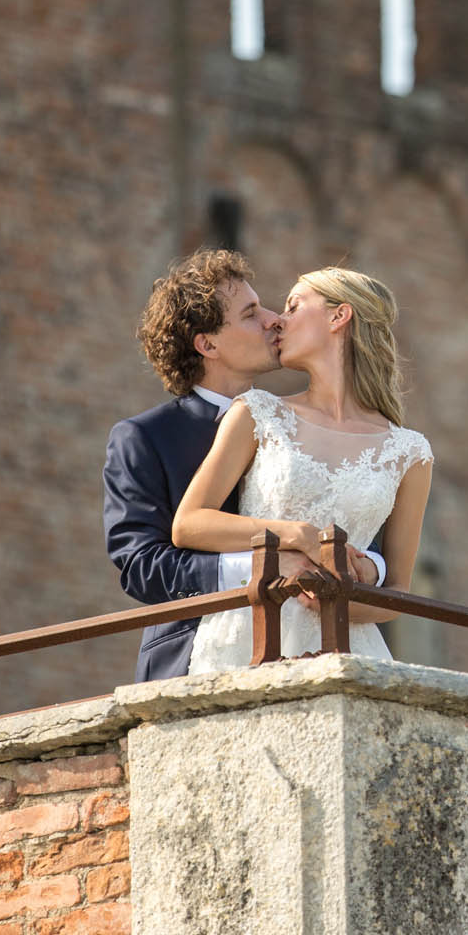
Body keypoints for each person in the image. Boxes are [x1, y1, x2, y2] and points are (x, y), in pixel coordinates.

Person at [103, 251, 386, 682]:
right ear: (208, 345)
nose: (274, 320)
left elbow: (365, 530)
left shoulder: (301, 425)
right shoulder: (144, 437)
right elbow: (143, 567)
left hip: (316, 648)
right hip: (192, 660)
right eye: (251, 314)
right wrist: (265, 567)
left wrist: (371, 566)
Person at [172, 266, 432, 669]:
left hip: (346, 647)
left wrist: (335, 601)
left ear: (338, 316)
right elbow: (189, 524)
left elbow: (397, 593)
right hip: (249, 635)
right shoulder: (257, 413)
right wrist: (296, 535)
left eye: (293, 306)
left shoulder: (410, 452)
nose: (278, 320)